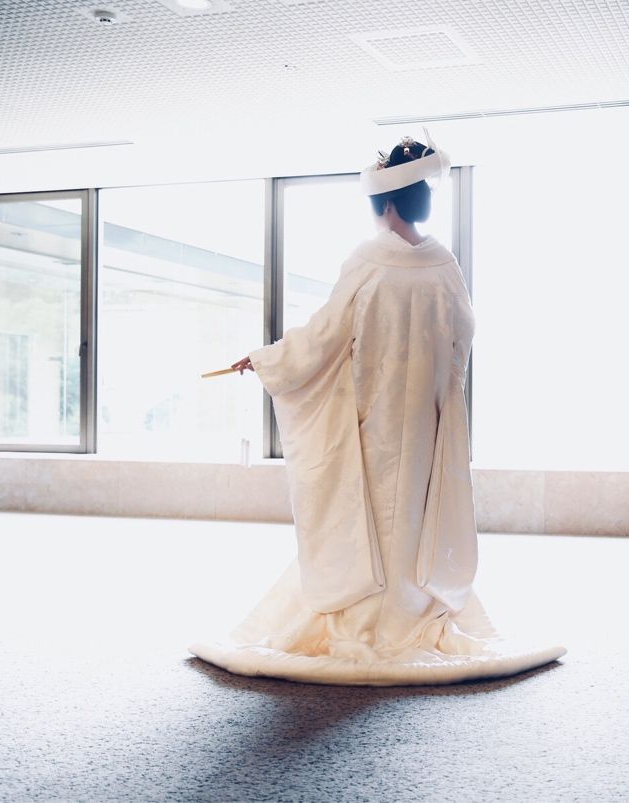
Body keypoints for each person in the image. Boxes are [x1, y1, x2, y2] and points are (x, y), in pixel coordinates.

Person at [188, 137, 566, 685]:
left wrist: (268, 359)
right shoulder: (444, 266)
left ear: (386, 204)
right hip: (426, 420)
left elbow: (325, 335)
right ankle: (415, 606)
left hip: (376, 419)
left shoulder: (368, 261)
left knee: (368, 512)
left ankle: (364, 612)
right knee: (413, 512)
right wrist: (439, 388)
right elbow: (463, 333)